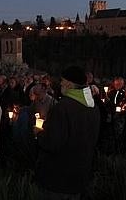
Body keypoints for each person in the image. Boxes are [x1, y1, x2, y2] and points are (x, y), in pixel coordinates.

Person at [35, 66, 100, 200]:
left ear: (70, 83)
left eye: (62, 81)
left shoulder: (63, 107)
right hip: (81, 173)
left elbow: (52, 143)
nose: (60, 84)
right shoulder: (93, 106)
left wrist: (39, 133)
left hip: (59, 177)